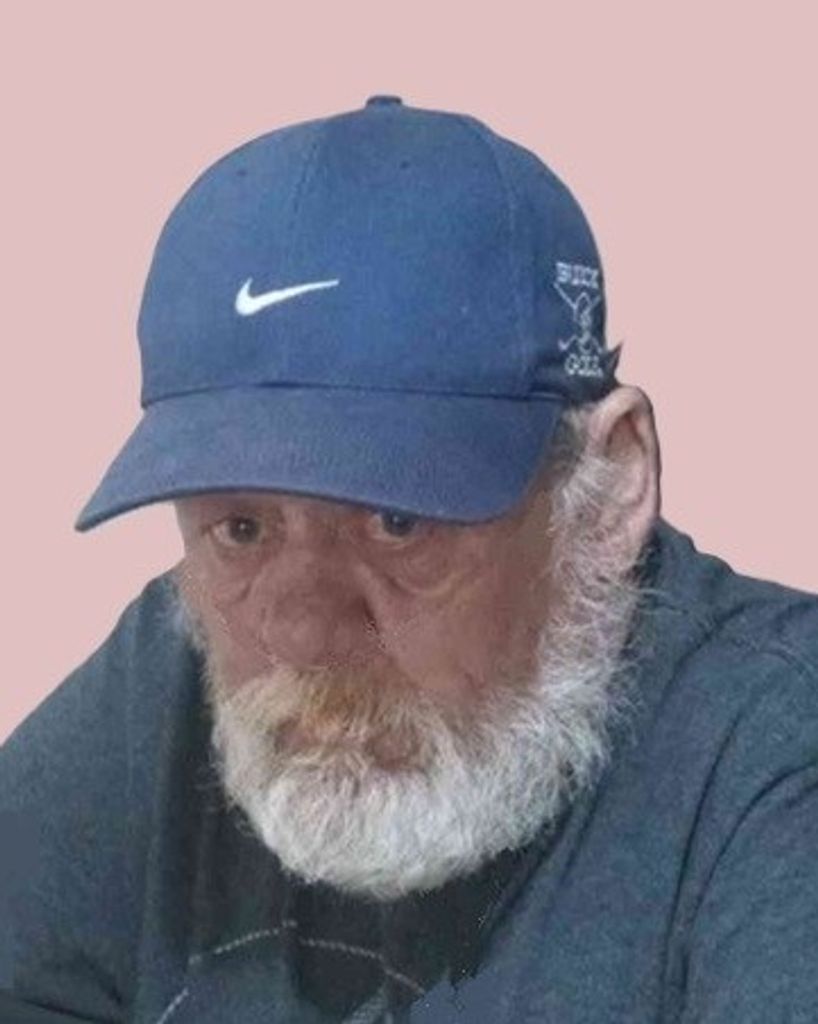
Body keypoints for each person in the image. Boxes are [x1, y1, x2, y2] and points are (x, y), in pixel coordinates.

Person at [2, 96, 816, 1024]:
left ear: (608, 495)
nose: (301, 632)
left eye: (397, 521)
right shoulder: (185, 662)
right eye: (242, 527)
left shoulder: (776, 756)